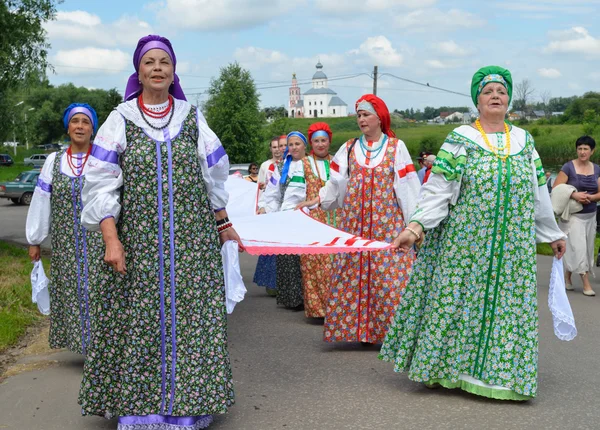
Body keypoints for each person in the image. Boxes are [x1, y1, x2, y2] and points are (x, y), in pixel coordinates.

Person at [78, 35, 240, 428]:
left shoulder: (191, 117)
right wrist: (111, 240)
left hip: (192, 244)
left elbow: (213, 178)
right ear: (138, 71)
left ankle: (188, 406)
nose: (156, 68)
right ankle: (139, 409)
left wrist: (224, 225)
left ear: (173, 72)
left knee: (192, 323)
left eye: (163, 62)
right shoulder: (121, 119)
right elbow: (100, 184)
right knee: (138, 321)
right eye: (149, 62)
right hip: (137, 244)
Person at [379, 66, 566, 401]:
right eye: (488, 92)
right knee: (457, 304)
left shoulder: (525, 142)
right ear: (477, 101)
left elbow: (539, 192)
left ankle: (500, 379)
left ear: (509, 99)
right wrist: (415, 226)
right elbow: (438, 190)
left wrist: (552, 233)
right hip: (464, 245)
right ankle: (448, 370)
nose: (496, 96)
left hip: (512, 248)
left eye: (501, 91)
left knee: (506, 309)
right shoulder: (461, 138)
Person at [306, 94, 420, 344]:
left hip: (387, 226)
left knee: (390, 280)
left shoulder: (395, 147)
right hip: (354, 227)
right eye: (358, 115)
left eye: (366, 114)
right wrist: (318, 201)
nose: (361, 119)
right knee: (352, 279)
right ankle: (361, 333)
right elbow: (335, 186)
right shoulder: (348, 148)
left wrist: (414, 225)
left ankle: (393, 335)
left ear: (379, 117)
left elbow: (408, 189)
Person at [26, 103, 103, 356]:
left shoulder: (103, 158)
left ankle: (100, 351)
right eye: (75, 121)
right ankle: (84, 348)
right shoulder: (54, 161)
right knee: (72, 293)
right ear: (68, 127)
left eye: (85, 122)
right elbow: (41, 199)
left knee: (99, 293)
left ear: (93, 128)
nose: (80, 126)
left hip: (98, 240)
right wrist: (35, 239)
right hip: (66, 244)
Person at [292, 122, 342, 318]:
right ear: (311, 142)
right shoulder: (302, 164)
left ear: (329, 141)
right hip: (312, 219)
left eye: (324, 140)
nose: (320, 144)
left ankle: (337, 308)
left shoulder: (338, 163)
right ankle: (319, 310)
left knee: (336, 262)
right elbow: (295, 193)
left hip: (337, 218)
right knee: (314, 263)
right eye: (316, 141)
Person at [262, 131, 308, 310]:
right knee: (288, 257)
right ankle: (292, 298)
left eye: (298, 144)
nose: (294, 148)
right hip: (285, 216)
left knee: (306, 259)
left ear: (304, 146)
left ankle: (309, 298)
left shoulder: (310, 165)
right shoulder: (280, 167)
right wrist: (274, 214)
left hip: (306, 215)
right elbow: (272, 193)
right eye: (291, 144)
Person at [553, 135, 600, 296]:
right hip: (573, 216)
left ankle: (567, 277)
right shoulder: (568, 167)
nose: (582, 152)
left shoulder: (597, 169)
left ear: (592, 151)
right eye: (579, 148)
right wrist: (574, 195)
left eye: (586, 149)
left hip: (590, 215)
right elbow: (557, 187)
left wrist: (591, 198)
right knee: (578, 249)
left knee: (585, 249)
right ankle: (586, 284)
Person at [253, 136, 287, 297]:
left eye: (280, 146)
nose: (278, 149)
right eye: (275, 147)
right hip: (271, 208)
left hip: (285, 209)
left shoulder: (291, 164)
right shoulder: (267, 166)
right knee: (271, 248)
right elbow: (261, 188)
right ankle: (271, 282)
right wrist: (261, 207)